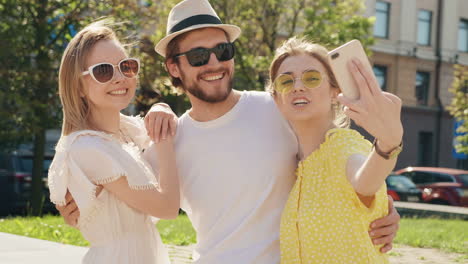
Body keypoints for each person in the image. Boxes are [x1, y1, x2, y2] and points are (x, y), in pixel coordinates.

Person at [59, 1, 400, 263]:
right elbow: (120, 203)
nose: (213, 63)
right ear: (174, 67)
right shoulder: (166, 140)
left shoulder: (278, 109)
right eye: (197, 56)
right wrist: (72, 207)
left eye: (223, 51)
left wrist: (382, 209)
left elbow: (334, 165)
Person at [48, 21, 179, 263]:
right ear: (78, 86)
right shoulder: (87, 147)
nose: (120, 78)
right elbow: (168, 209)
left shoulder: (126, 132)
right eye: (104, 71)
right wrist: (164, 139)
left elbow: (165, 128)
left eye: (127, 67)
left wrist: (162, 107)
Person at [268, 37, 403, 263]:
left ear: (335, 91)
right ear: (276, 98)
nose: (298, 86)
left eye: (311, 78)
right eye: (286, 82)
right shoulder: (294, 163)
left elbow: (364, 180)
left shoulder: (344, 146)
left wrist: (388, 144)